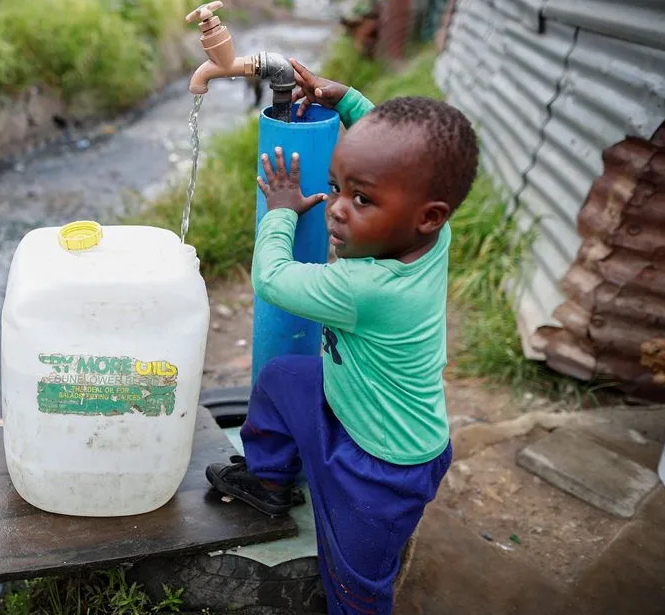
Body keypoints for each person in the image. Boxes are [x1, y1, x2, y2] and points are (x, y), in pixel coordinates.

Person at [205, 58, 479, 615]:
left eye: (361, 200)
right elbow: (400, 160)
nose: (335, 209)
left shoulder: (366, 286)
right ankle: (269, 481)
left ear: (427, 216)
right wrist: (347, 99)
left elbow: (273, 279)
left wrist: (279, 213)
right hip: (349, 408)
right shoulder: (434, 235)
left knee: (354, 587)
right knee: (284, 378)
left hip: (383, 470)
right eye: (336, 187)